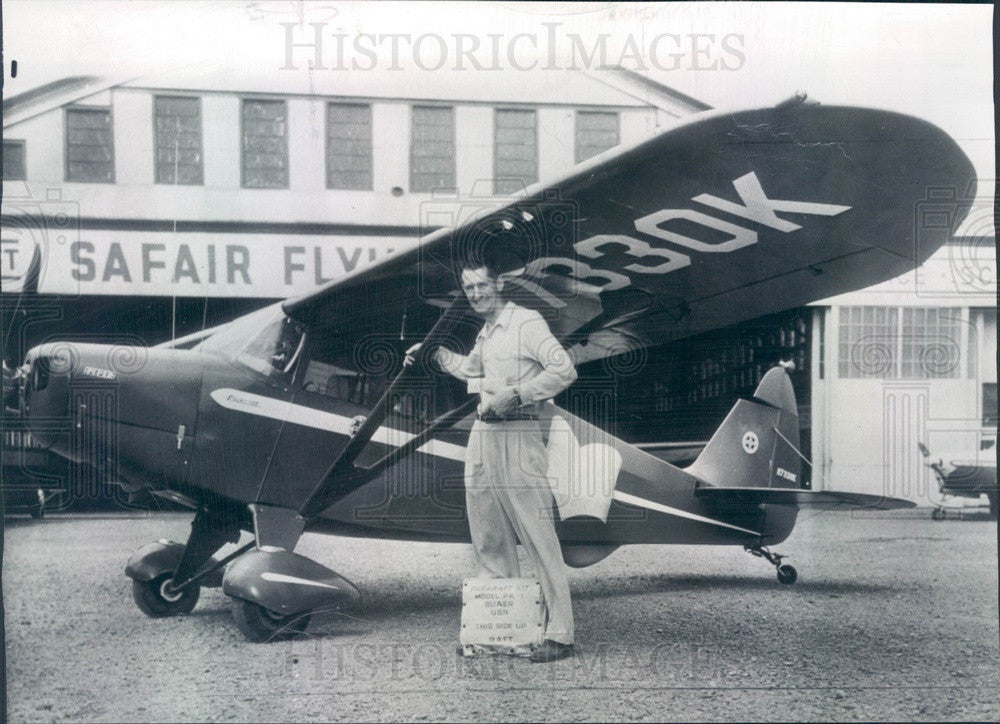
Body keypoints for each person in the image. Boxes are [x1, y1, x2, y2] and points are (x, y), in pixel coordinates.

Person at [407, 263, 578, 663]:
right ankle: (498, 629)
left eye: (482, 284)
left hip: (519, 431)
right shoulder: (487, 330)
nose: (476, 293)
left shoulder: (526, 322)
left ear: (499, 283)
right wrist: (434, 352)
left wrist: (517, 394)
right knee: (487, 530)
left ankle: (560, 634)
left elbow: (564, 370)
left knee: (535, 532)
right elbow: (471, 369)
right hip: (484, 432)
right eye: (468, 287)